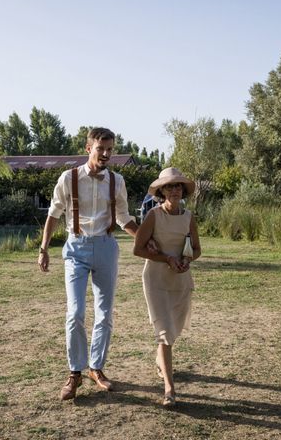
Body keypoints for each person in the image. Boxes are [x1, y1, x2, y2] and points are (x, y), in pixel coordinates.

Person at [38, 127, 145, 401]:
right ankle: (75, 372)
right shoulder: (68, 178)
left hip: (107, 247)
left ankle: (96, 368)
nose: (107, 154)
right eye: (101, 149)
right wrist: (44, 248)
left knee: (105, 313)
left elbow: (123, 217)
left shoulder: (117, 181)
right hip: (76, 247)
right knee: (75, 313)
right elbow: (53, 214)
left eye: (110, 149)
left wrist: (146, 241)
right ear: (89, 149)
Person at [133, 167, 201, 407]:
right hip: (156, 280)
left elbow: (197, 249)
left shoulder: (189, 216)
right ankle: (169, 390)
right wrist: (166, 258)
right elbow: (138, 249)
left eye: (178, 186)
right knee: (164, 334)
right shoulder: (153, 215)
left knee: (174, 331)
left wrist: (186, 260)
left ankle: (160, 362)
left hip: (181, 280)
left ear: (183, 191)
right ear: (162, 191)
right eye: (169, 186)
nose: (174, 190)